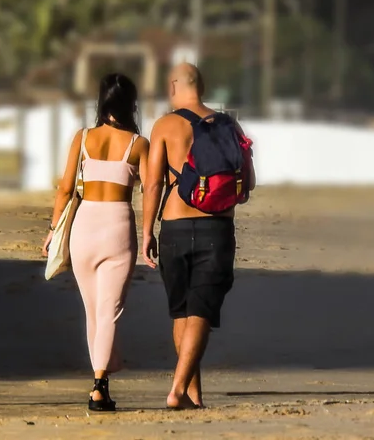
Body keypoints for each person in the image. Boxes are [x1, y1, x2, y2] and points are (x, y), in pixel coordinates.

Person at [142, 63, 256, 410]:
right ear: (201, 86)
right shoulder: (228, 124)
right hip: (216, 229)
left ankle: (186, 392)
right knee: (201, 311)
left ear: (174, 85)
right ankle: (184, 392)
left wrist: (147, 231)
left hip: (174, 227)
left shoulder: (164, 125)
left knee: (182, 312)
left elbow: (153, 184)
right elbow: (247, 183)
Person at [43, 73, 149, 411]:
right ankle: (99, 385)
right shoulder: (138, 144)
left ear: (101, 102)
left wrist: (53, 227)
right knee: (110, 311)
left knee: (94, 311)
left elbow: (64, 188)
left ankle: (103, 373)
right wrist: (153, 234)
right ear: (131, 104)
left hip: (84, 228)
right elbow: (151, 192)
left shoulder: (83, 137)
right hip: (118, 227)